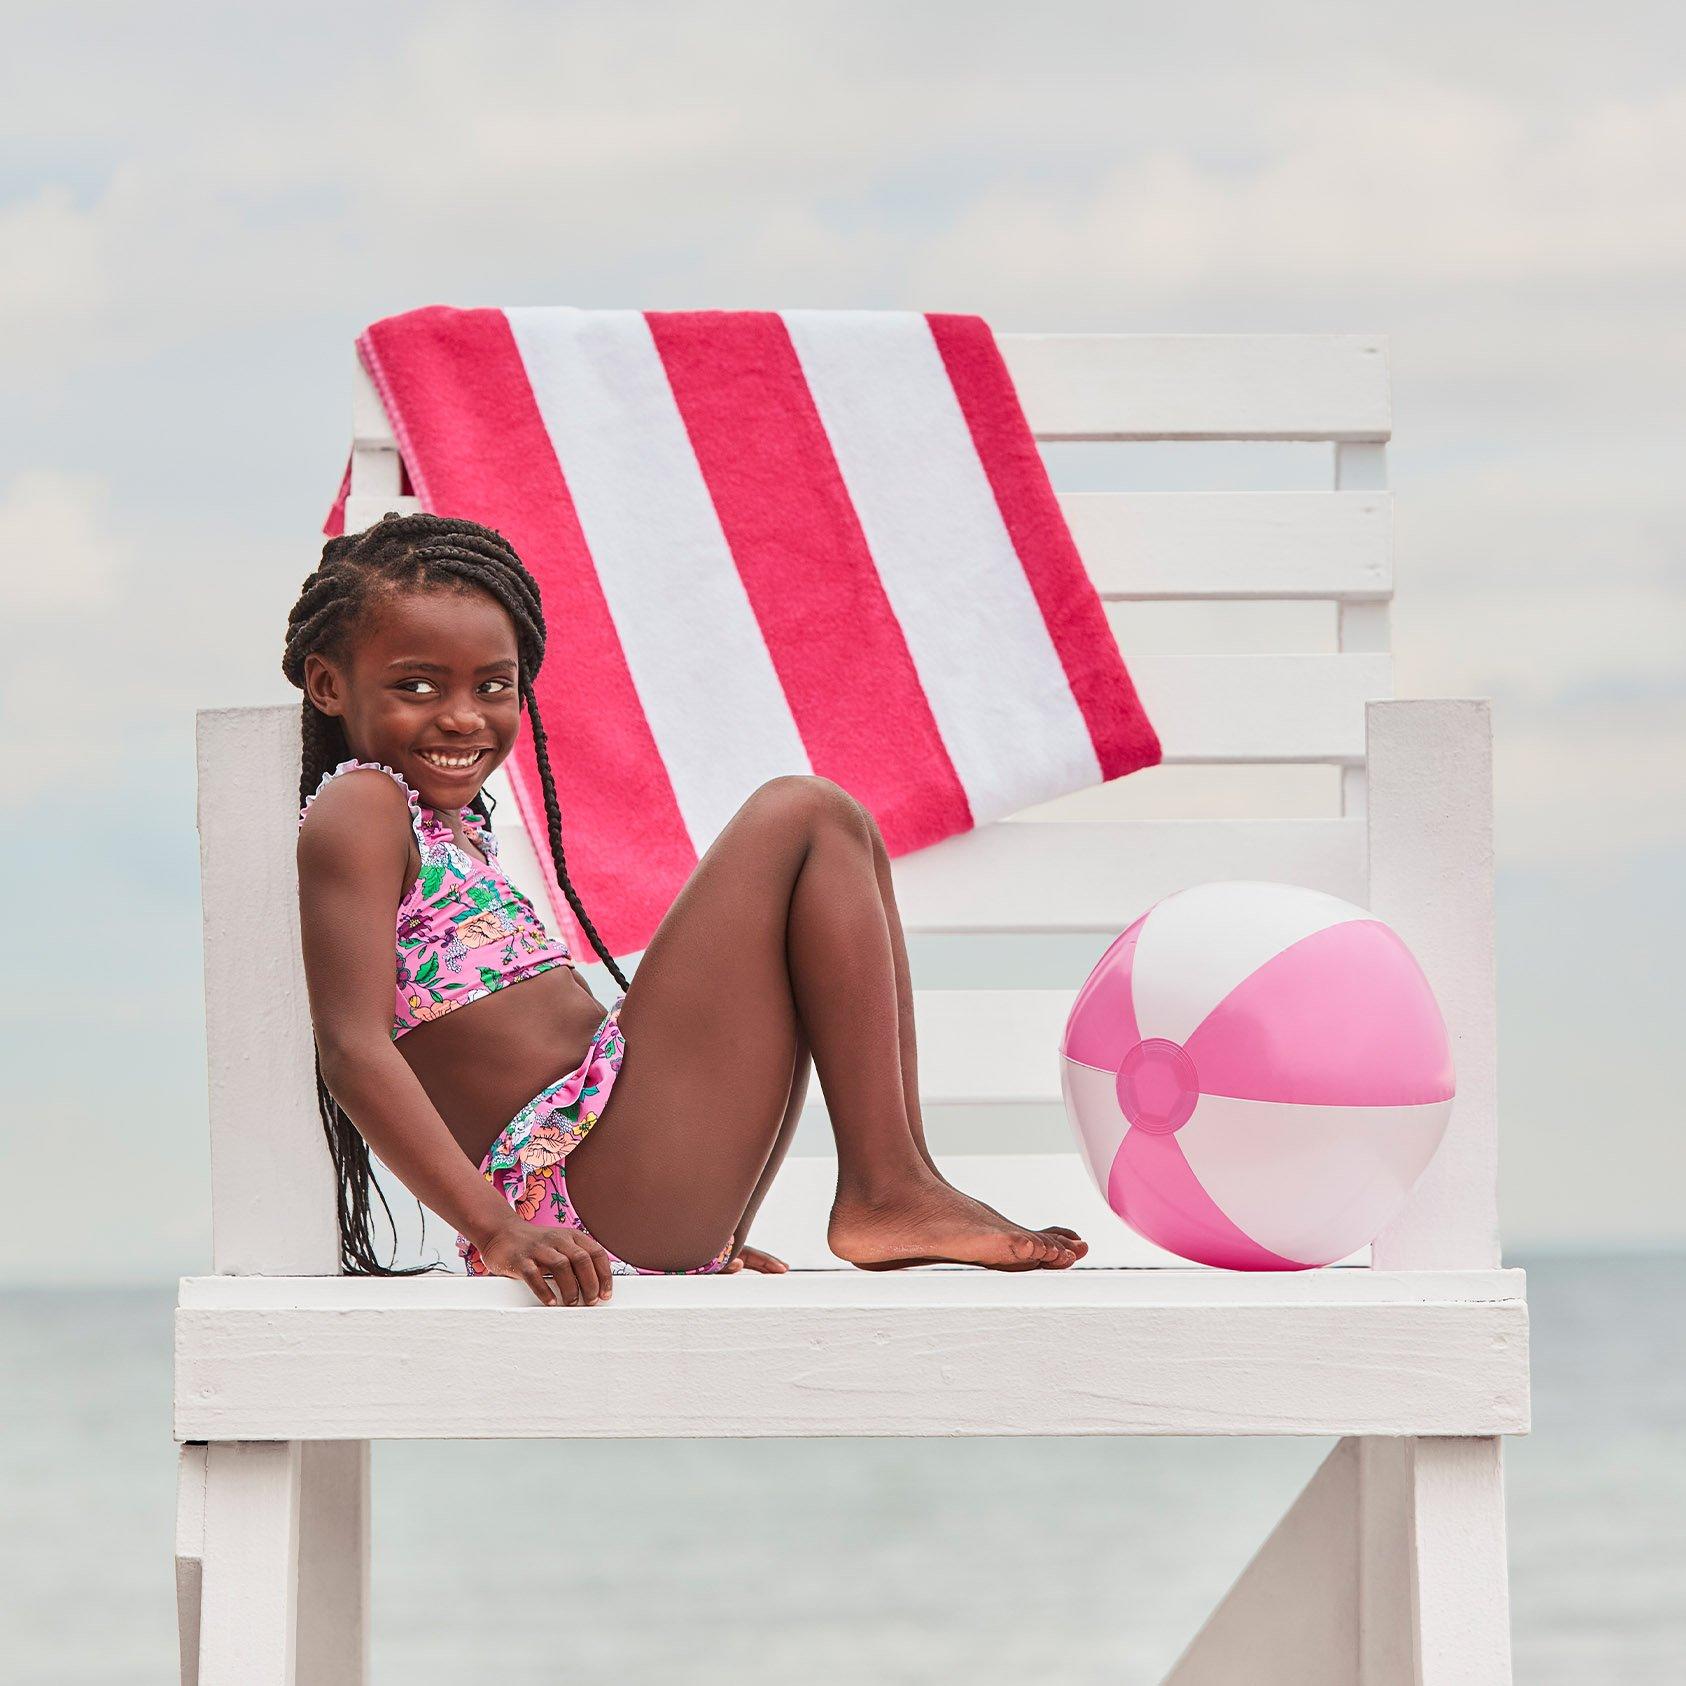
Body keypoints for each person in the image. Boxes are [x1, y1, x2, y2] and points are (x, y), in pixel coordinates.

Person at [285, 511, 1086, 1306]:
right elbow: (353, 1047)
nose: (463, 716)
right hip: (579, 1189)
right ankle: (887, 1189)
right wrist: (496, 1230)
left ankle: (895, 1182)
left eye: (493, 687)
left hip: (624, 1168)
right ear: (328, 684)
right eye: (416, 686)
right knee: (805, 813)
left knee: (843, 839)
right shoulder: (360, 808)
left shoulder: (448, 827)